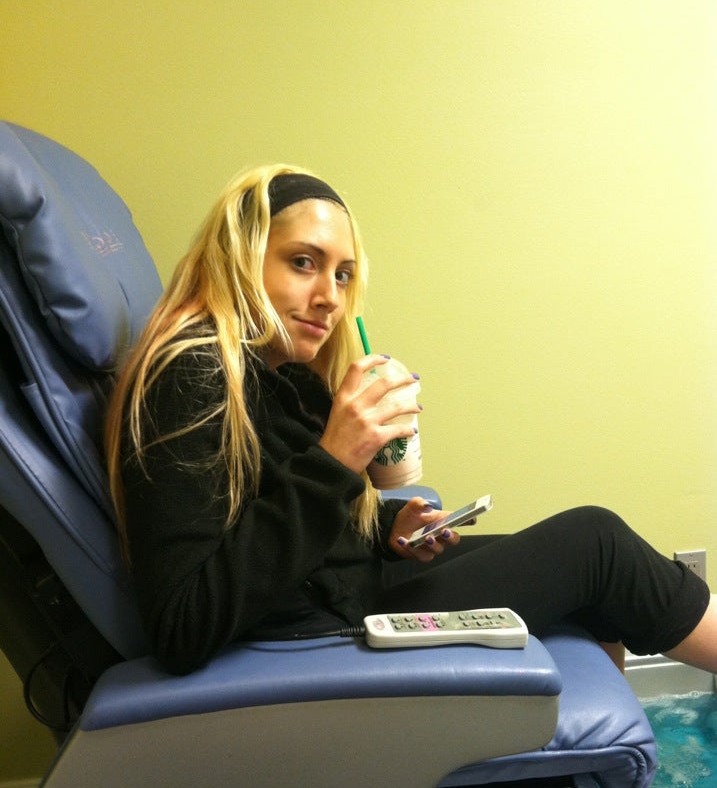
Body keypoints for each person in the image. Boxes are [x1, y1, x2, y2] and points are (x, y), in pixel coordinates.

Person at [105, 164, 717, 676]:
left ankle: (591, 759)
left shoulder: (273, 372)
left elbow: (275, 521)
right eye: (302, 262)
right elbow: (183, 624)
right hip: (326, 636)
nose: (330, 297)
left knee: (590, 572)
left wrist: (386, 529)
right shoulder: (190, 378)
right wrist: (335, 459)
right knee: (596, 546)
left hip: (350, 594)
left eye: (342, 274)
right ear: (238, 258)